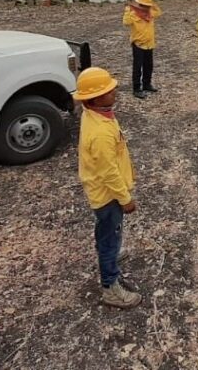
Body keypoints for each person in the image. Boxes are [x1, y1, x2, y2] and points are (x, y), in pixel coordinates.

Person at [74, 67, 142, 308]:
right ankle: (110, 286)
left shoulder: (94, 114)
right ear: (94, 99)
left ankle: (108, 256)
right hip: (108, 195)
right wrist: (125, 198)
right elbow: (109, 171)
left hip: (102, 191)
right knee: (110, 235)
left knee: (107, 232)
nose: (114, 91)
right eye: (107, 90)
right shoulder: (100, 133)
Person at [122, 0, 162, 100]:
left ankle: (146, 84)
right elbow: (125, 22)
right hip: (138, 44)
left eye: (148, 6)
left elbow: (159, 13)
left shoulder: (150, 13)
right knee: (137, 67)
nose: (146, 8)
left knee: (149, 66)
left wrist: (152, 4)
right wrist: (127, 10)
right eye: (145, 5)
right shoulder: (133, 13)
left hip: (149, 44)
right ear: (140, 5)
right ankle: (136, 89)